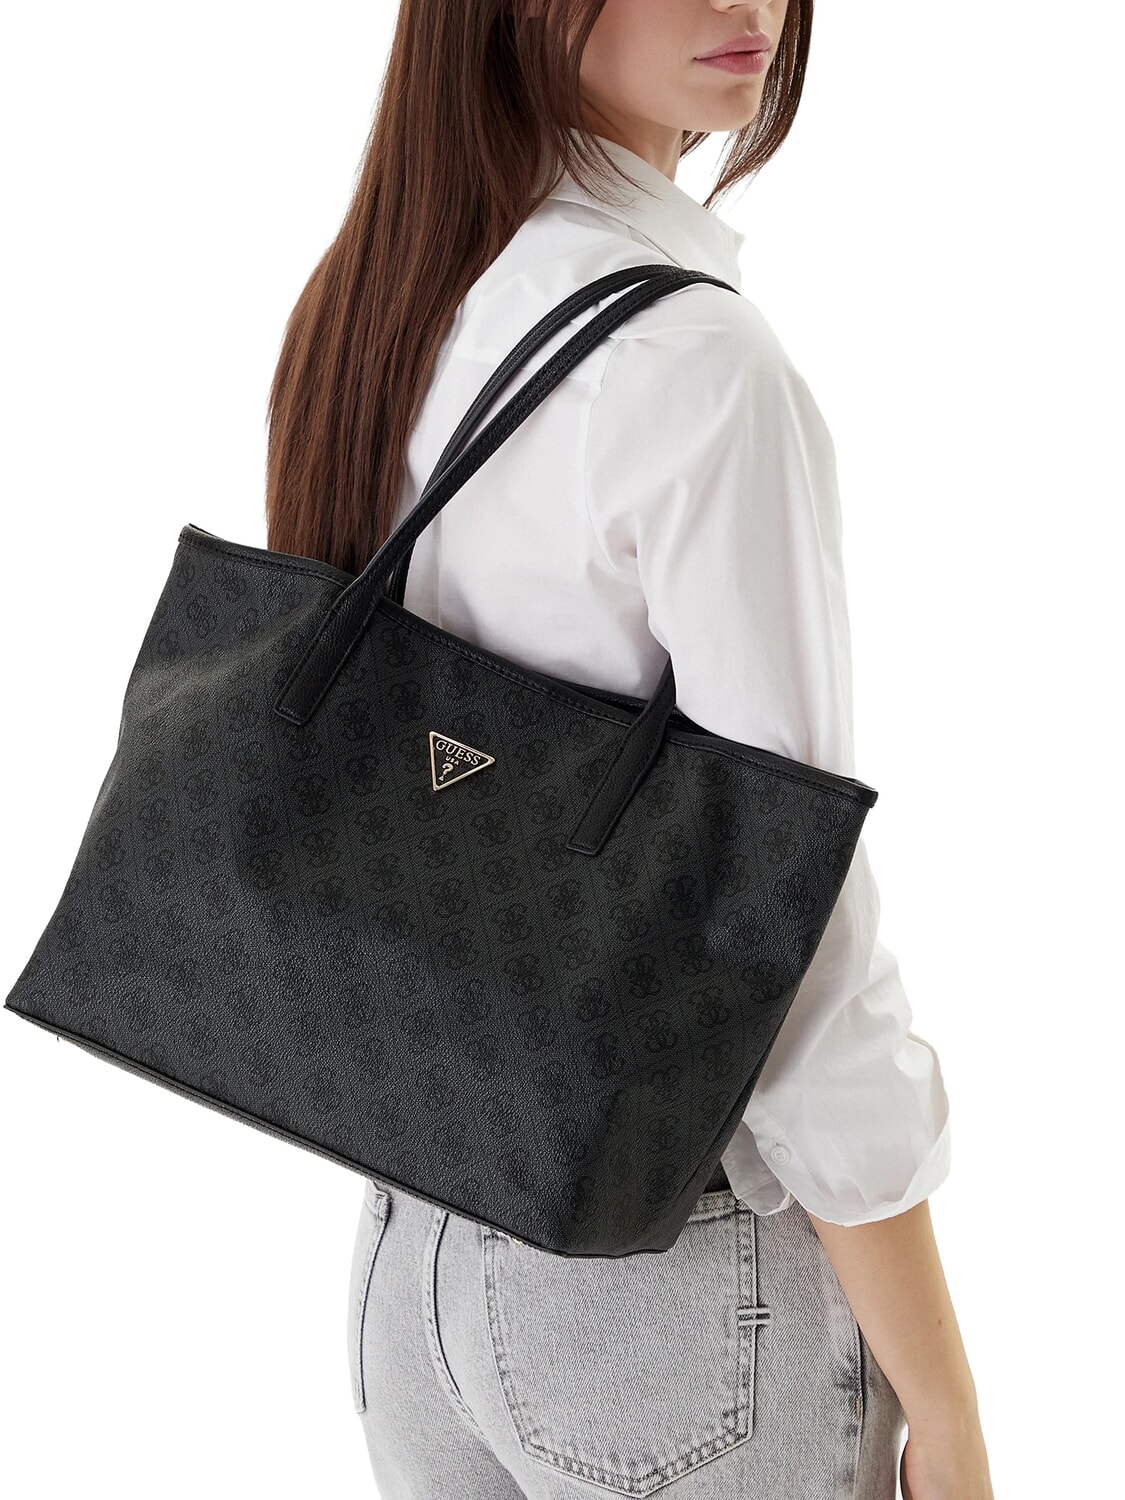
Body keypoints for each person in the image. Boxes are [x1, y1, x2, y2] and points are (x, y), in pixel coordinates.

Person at [264, 2, 994, 1496]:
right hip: (667, 1285)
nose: (745, 4)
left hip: (414, 1263)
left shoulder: (385, 297)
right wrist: (945, 1400)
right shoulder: (694, 364)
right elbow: (787, 939)